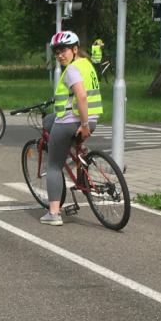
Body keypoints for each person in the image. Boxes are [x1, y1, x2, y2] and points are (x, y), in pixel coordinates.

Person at [40, 31, 101, 226]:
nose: (60, 55)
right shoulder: (86, 64)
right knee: (48, 121)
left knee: (53, 166)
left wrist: (83, 125)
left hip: (73, 123)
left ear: (75, 49)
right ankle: (77, 151)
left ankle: (54, 214)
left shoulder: (73, 69)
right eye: (56, 52)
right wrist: (86, 123)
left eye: (64, 50)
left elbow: (81, 96)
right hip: (92, 119)